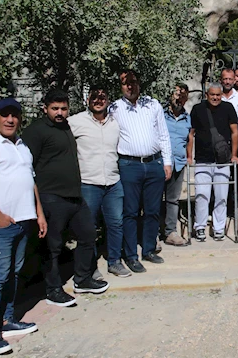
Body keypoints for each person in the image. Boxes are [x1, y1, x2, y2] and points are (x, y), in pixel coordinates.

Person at [0, 98, 47, 355]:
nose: (10, 120)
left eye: (15, 115)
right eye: (5, 115)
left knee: (14, 273)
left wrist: (39, 214)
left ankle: (7, 320)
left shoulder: (22, 147)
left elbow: (31, 182)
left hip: (24, 222)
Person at [23, 89, 109, 307]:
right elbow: (26, 165)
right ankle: (52, 290)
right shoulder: (36, 131)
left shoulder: (67, 127)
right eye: (55, 109)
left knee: (88, 234)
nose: (59, 112)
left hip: (74, 196)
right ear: (45, 109)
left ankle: (82, 279)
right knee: (52, 246)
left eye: (63, 108)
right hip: (51, 196)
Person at [109, 70, 173, 273]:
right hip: (130, 166)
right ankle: (130, 255)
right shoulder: (115, 108)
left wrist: (168, 162)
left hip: (154, 164)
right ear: (120, 86)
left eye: (133, 82)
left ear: (139, 83)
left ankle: (149, 249)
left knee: (153, 210)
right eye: (125, 83)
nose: (130, 86)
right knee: (130, 212)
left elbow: (163, 135)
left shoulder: (152, 104)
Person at [68, 86, 127, 278]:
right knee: (88, 228)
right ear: (88, 100)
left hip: (113, 182)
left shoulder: (115, 123)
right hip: (88, 183)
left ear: (108, 100)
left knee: (116, 223)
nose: (98, 100)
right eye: (94, 97)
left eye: (103, 97)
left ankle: (115, 262)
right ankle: (90, 267)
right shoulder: (75, 122)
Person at [188, 82, 238, 242]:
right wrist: (189, 156)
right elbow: (191, 134)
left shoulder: (228, 108)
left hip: (222, 161)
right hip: (202, 160)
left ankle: (219, 228)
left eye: (218, 95)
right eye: (212, 95)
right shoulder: (197, 109)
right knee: (201, 195)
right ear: (207, 95)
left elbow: (234, 132)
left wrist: (234, 154)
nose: (216, 97)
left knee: (221, 196)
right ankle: (200, 227)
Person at [163, 83, 192, 247]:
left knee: (173, 199)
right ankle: (151, 235)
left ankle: (170, 232)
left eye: (183, 96)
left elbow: (189, 138)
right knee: (152, 200)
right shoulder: (160, 114)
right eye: (176, 94)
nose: (179, 98)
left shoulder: (187, 118)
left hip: (178, 163)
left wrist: (189, 156)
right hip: (160, 163)